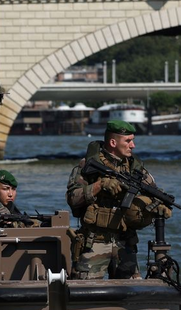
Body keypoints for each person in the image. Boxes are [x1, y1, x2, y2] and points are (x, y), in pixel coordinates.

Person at [66, 119, 169, 279]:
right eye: (128, 141)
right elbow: (72, 198)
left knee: (131, 289)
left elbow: (153, 191)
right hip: (94, 241)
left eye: (132, 140)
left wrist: (159, 206)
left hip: (125, 242)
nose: (133, 145)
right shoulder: (89, 165)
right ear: (113, 142)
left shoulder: (135, 168)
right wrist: (100, 185)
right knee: (85, 289)